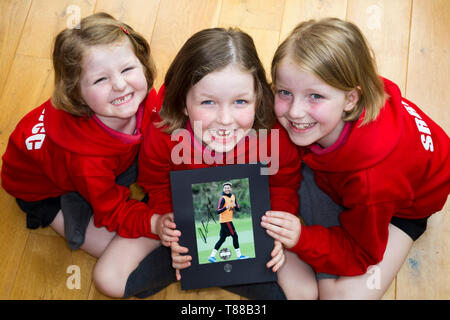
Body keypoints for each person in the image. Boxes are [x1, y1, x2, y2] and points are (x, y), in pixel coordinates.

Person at [261, 17, 450, 299]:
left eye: (314, 96)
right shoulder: (322, 106)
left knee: (339, 296)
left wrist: (302, 238)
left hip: (398, 207)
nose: (295, 111)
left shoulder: (371, 183)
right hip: (343, 169)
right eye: (284, 92)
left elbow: (360, 253)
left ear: (351, 98)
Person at [1, 12, 176, 299]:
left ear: (143, 65)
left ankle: (100, 193)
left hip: (104, 163)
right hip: (44, 189)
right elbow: (113, 212)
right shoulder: (86, 160)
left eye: (128, 69)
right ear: (77, 94)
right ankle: (75, 207)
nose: (120, 86)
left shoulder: (143, 99)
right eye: (100, 80)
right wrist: (153, 222)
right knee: (119, 248)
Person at [138, 27, 317, 299]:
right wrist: (169, 222)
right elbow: (156, 182)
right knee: (110, 280)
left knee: (305, 293)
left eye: (240, 102)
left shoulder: (273, 135)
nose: (225, 119)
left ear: (258, 98)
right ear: (184, 103)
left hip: (256, 222)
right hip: (192, 223)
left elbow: (284, 183)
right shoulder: (164, 132)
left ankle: (225, 273)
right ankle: (212, 270)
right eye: (208, 102)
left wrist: (276, 232)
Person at [208, 182, 248, 262]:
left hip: (228, 221)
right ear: (223, 189)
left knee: (222, 239)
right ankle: (239, 255)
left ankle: (211, 256)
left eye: (228, 188)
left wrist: (235, 206)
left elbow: (238, 209)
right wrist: (226, 207)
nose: (227, 189)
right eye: (225, 188)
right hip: (225, 221)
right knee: (235, 236)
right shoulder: (222, 198)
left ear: (230, 189)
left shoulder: (233, 196)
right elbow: (218, 211)